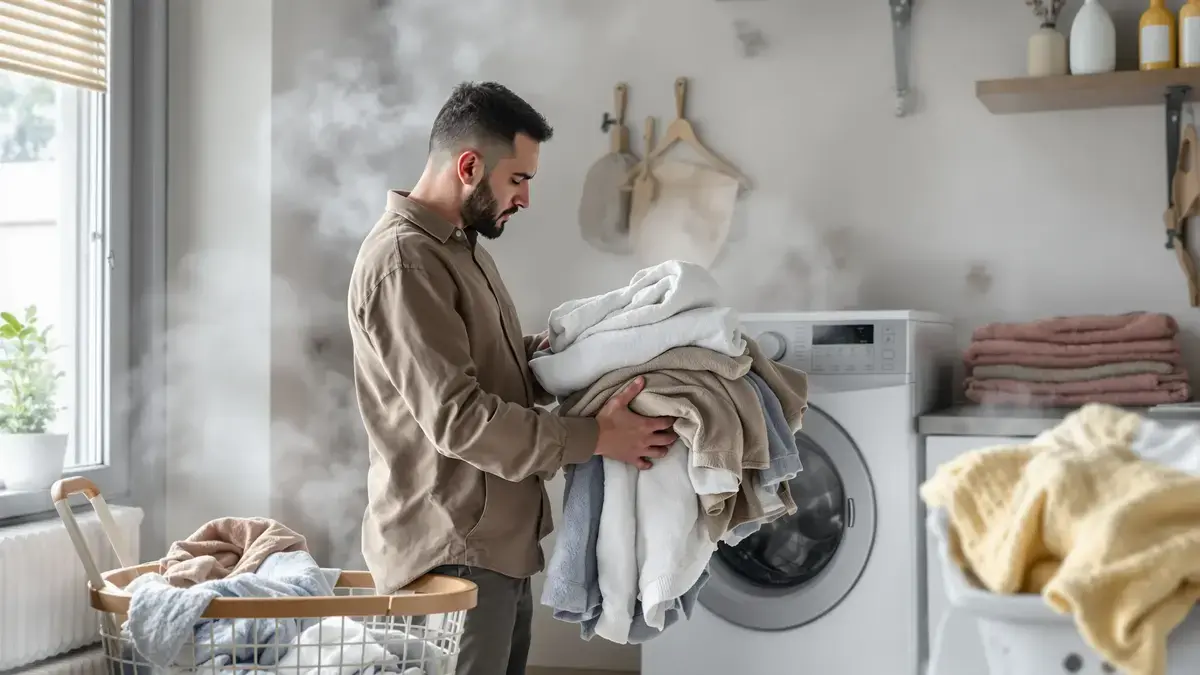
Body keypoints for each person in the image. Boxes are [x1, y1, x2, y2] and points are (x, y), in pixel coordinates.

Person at [347, 81, 679, 675]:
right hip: (451, 555)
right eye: (518, 179)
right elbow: (460, 418)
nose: (525, 198)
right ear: (470, 166)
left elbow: (488, 372)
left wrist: (576, 351)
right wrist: (595, 438)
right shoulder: (406, 263)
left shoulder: (458, 249)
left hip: (490, 547)